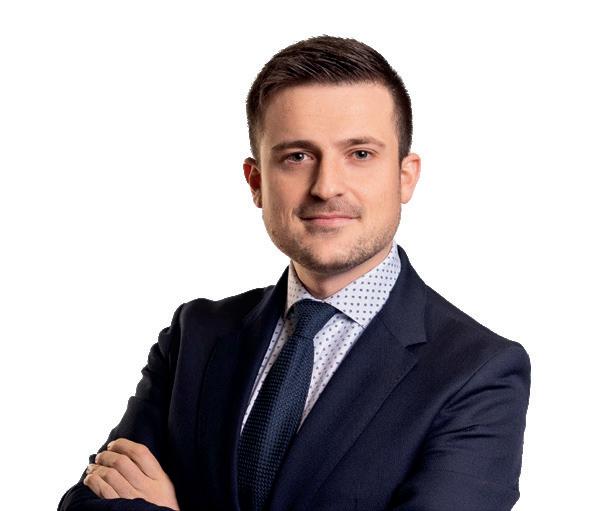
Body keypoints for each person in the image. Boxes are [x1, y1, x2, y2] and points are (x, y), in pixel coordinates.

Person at [58, 34, 531, 511]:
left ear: (405, 176)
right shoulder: (194, 337)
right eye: (297, 157)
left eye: (360, 154)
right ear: (256, 181)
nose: (326, 187)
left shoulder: (477, 373)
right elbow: (88, 503)